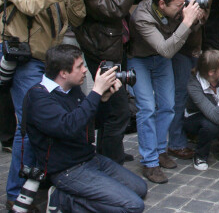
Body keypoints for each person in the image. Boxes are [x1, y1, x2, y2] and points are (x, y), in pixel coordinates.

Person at [1, 0, 87, 208]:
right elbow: (28, 2)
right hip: (26, 60)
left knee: (47, 124)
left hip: (49, 60)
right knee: (27, 127)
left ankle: (37, 183)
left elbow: (75, 18)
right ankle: (17, 195)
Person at [24, 44, 147, 212]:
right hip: (66, 170)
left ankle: (77, 196)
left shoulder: (72, 90)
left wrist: (103, 99)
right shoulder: (39, 97)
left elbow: (90, 121)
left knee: (140, 188)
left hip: (89, 159)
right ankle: (61, 199)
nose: (84, 70)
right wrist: (96, 91)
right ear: (63, 73)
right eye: (79, 66)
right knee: (133, 206)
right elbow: (69, 127)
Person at [74, 0, 154, 164]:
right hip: (102, 51)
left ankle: (111, 151)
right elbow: (114, 8)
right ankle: (109, 162)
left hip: (117, 46)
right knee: (117, 110)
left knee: (111, 106)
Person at [128, 0, 204, 183]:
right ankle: (149, 162)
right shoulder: (142, 16)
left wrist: (195, 19)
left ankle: (161, 150)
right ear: (162, 4)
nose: (183, 8)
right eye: (179, 5)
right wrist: (187, 21)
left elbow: (187, 32)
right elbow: (166, 50)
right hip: (140, 59)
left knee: (168, 106)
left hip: (160, 60)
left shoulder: (175, 10)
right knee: (146, 108)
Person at [165, 0, 217, 160]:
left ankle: (185, 134)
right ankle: (176, 143)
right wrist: (201, 9)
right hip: (181, 51)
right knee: (179, 95)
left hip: (192, 48)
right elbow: (181, 25)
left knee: (186, 95)